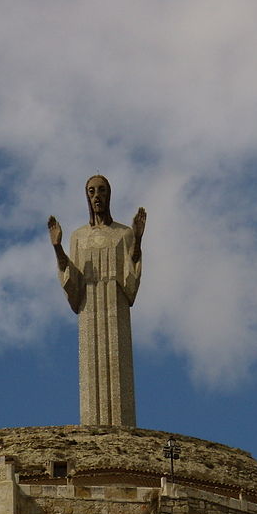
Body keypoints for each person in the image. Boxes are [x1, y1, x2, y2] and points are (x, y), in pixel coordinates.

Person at [48, 175, 146, 427]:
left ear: (109, 195)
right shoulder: (79, 236)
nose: (96, 196)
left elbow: (131, 273)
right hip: (89, 308)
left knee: (118, 368)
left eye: (101, 190)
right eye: (91, 191)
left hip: (116, 305)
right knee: (92, 373)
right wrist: (58, 247)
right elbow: (73, 279)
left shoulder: (124, 233)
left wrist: (138, 240)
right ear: (86, 196)